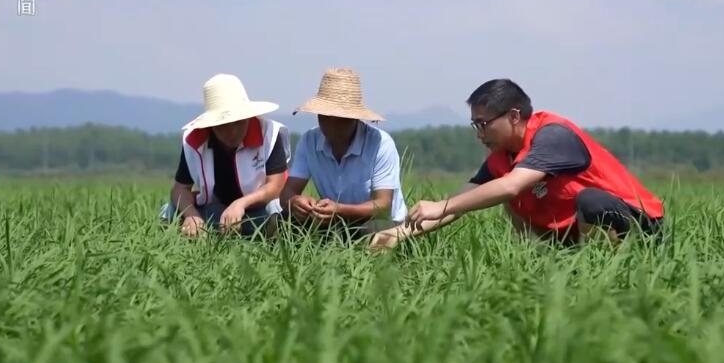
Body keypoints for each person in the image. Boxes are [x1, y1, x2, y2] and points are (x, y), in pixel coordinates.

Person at [370, 78, 665, 249]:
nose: (479, 135)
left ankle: (607, 272)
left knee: (589, 200)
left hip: (639, 225)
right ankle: (541, 259)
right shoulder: (502, 158)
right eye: (475, 126)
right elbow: (459, 204)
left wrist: (442, 206)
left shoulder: (552, 135)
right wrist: (397, 234)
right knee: (506, 197)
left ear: (513, 116)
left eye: (483, 124)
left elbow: (511, 186)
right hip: (574, 233)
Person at [280, 67, 408, 242]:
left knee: (372, 232)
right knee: (281, 222)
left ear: (354, 118)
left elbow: (383, 205)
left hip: (380, 222)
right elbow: (287, 193)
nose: (331, 125)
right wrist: (295, 202)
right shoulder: (309, 140)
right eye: (325, 117)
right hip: (334, 221)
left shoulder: (380, 143)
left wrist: (340, 210)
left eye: (339, 119)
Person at [160, 73, 291, 238]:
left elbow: (276, 186)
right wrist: (191, 214)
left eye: (239, 123)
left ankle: (268, 236)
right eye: (223, 126)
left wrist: (241, 204)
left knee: (276, 208)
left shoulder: (269, 134)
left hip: (259, 208)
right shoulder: (194, 142)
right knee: (171, 210)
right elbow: (180, 188)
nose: (232, 132)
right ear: (211, 125)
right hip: (218, 210)